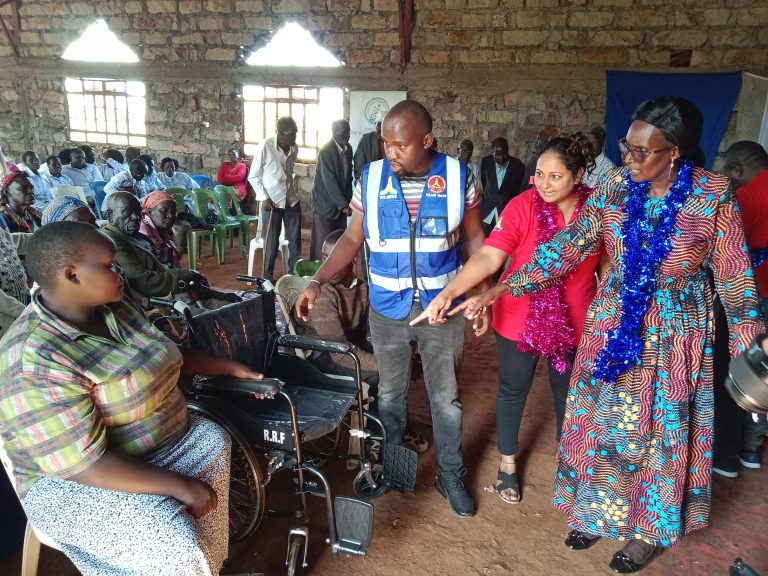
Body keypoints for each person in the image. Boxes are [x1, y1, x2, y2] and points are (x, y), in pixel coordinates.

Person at [426, 96, 766, 572]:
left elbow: (735, 278)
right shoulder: (615, 187)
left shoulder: (713, 195)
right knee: (599, 423)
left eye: (641, 151)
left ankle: (646, 531)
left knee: (657, 433)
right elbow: (566, 248)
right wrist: (502, 287)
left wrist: (753, 352)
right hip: (611, 322)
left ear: (675, 152)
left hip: (674, 332)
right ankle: (594, 512)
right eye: (627, 147)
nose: (629, 158)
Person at [0, 220, 265, 575]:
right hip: (71, 480)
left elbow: (162, 354)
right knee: (173, 540)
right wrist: (181, 486)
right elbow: (83, 464)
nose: (120, 271)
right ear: (71, 275)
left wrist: (230, 367)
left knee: (211, 439)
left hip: (152, 447)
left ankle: (206, 568)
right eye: (109, 265)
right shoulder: (34, 358)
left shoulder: (114, 308)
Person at [296, 100, 485, 518]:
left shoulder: (458, 177)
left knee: (446, 399)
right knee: (391, 395)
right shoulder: (370, 177)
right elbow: (352, 238)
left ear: (427, 141)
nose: (390, 152)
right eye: (386, 143)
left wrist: (482, 292)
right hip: (387, 308)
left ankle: (450, 474)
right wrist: (317, 280)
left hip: (441, 309)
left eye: (400, 145)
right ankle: (396, 471)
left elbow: (475, 238)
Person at [413, 136, 600, 505]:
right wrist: (449, 293)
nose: (544, 184)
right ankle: (508, 463)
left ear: (578, 175)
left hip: (577, 320)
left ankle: (570, 462)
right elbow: (489, 256)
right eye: (539, 175)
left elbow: (608, 267)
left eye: (556, 177)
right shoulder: (523, 206)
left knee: (569, 392)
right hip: (518, 316)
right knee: (514, 389)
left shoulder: (597, 212)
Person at [102, 192, 235, 310]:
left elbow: (163, 264)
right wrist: (185, 274)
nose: (135, 217)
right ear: (110, 215)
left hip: (175, 291)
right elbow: (144, 282)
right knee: (222, 316)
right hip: (162, 302)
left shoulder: (134, 235)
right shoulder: (113, 241)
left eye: (137, 212)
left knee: (230, 305)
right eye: (126, 212)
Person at [721, 140, 768, 470]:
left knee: (748, 369)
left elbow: (731, 253)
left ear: (737, 169)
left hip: (755, 295)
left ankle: (737, 449)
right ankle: (753, 446)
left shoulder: (748, 197)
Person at [248, 117, 301, 284]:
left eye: (294, 135)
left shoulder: (294, 148)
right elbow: (253, 176)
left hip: (291, 200)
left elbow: (288, 174)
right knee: (271, 243)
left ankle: (293, 277)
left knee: (295, 242)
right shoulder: (266, 146)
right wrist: (264, 198)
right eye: (288, 136)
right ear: (279, 133)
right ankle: (268, 280)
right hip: (271, 203)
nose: (292, 139)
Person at [309, 119, 353, 261]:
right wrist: (344, 205)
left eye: (348, 132)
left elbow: (348, 177)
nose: (346, 135)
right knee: (322, 245)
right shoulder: (326, 151)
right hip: (325, 206)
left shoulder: (348, 148)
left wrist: (349, 201)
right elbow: (330, 181)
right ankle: (319, 273)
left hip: (340, 206)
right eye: (343, 132)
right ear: (333, 132)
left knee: (338, 242)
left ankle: (336, 272)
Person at [479, 137, 525, 235]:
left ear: (508, 150)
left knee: (500, 238)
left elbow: (518, 189)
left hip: (505, 211)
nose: (501, 158)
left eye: (504, 154)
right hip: (486, 210)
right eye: (497, 155)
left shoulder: (518, 166)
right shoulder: (486, 162)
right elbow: (484, 182)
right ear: (493, 152)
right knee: (483, 237)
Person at [139, 190, 184, 268]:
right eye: (164, 211)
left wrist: (179, 243)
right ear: (149, 212)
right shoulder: (143, 231)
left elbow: (174, 259)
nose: (170, 215)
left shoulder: (161, 229)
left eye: (173, 211)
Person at [0, 226, 30, 339]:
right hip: (7, 322)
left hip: (23, 312)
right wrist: (25, 312)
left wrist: (49, 236)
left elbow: (19, 241)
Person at [520, 125, 558, 194]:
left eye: (540, 140)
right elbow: (527, 181)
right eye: (537, 139)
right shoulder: (535, 158)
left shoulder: (554, 161)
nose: (536, 143)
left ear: (550, 142)